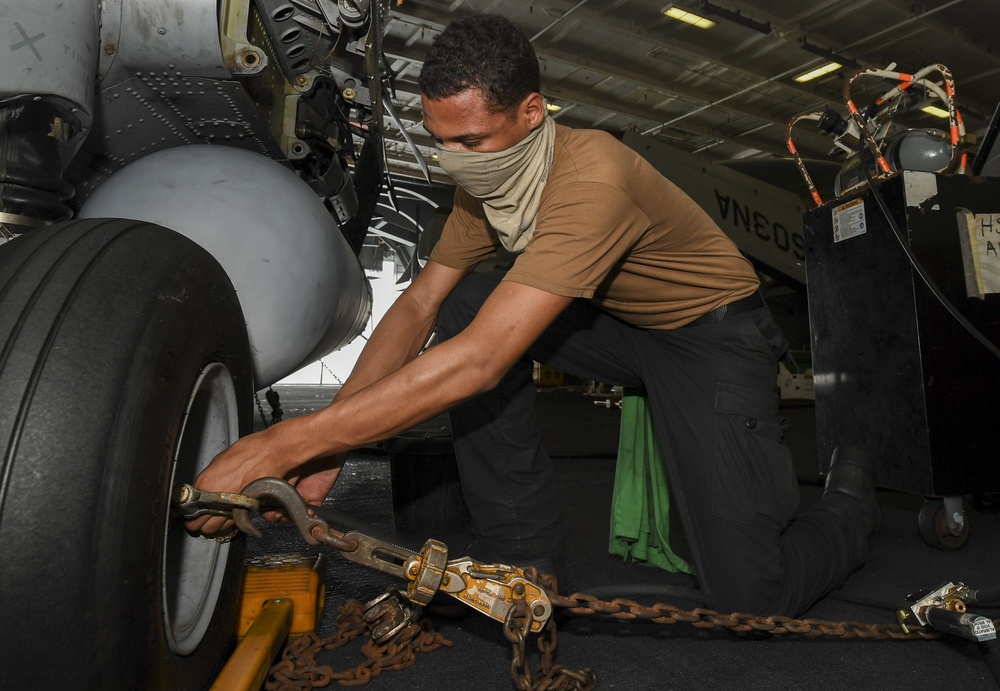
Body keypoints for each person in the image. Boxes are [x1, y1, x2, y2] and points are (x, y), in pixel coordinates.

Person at [188, 13, 879, 616]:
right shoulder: (487, 186)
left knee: (750, 595)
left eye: (474, 141)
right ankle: (525, 565)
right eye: (441, 139)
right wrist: (331, 446)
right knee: (460, 301)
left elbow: (486, 359)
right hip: (613, 326)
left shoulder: (593, 177)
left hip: (710, 336)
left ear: (532, 112)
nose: (455, 163)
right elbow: (420, 304)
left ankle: (853, 499)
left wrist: (284, 443)